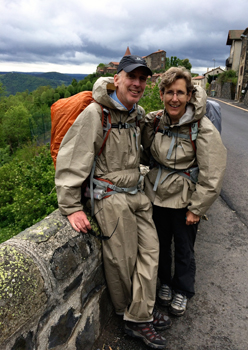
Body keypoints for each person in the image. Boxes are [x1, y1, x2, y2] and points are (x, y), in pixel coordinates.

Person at [55, 55, 171, 349]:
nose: (137, 84)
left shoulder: (136, 114)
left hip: (136, 193)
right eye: (132, 77)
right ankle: (133, 318)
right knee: (122, 259)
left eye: (143, 79)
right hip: (108, 198)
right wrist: (70, 207)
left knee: (150, 251)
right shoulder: (97, 114)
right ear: (116, 78)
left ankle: (141, 310)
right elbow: (72, 160)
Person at [141, 66, 227, 317]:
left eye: (180, 92)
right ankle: (165, 283)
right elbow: (144, 152)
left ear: (189, 95)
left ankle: (183, 289)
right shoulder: (156, 121)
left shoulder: (202, 127)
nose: (174, 98)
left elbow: (213, 172)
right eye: (169, 92)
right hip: (156, 196)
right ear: (161, 94)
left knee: (184, 249)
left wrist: (197, 208)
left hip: (185, 201)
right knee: (160, 246)